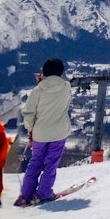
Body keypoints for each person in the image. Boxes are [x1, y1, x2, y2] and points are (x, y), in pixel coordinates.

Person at [16, 58, 71, 206]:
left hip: (40, 134)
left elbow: (28, 113)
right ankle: (44, 193)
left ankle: (26, 194)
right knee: (51, 164)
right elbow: (57, 92)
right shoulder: (66, 87)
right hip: (59, 133)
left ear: (44, 72)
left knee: (35, 163)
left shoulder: (37, 90)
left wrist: (30, 129)